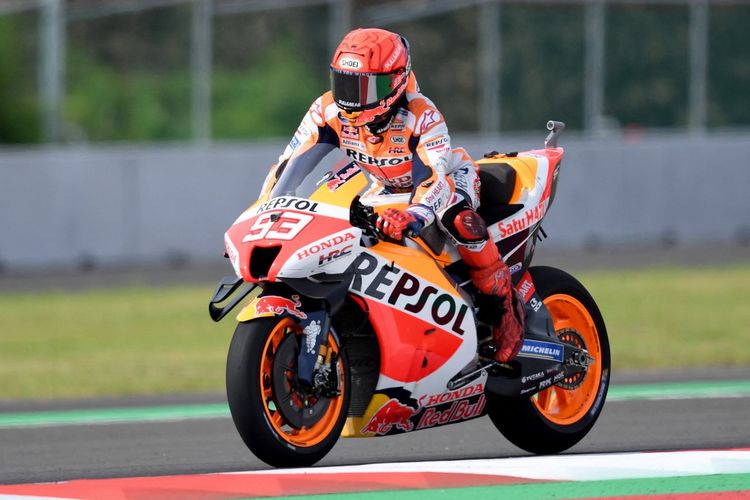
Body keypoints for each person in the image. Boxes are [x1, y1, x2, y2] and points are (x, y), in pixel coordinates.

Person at [260, 28, 524, 362]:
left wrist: (414, 215)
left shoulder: (421, 114)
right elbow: (290, 163)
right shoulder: (327, 110)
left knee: (458, 219)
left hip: (446, 181)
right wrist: (268, 209)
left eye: (366, 86)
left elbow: (433, 178)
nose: (352, 97)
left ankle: (504, 308)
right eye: (345, 83)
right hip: (382, 189)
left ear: (395, 81)